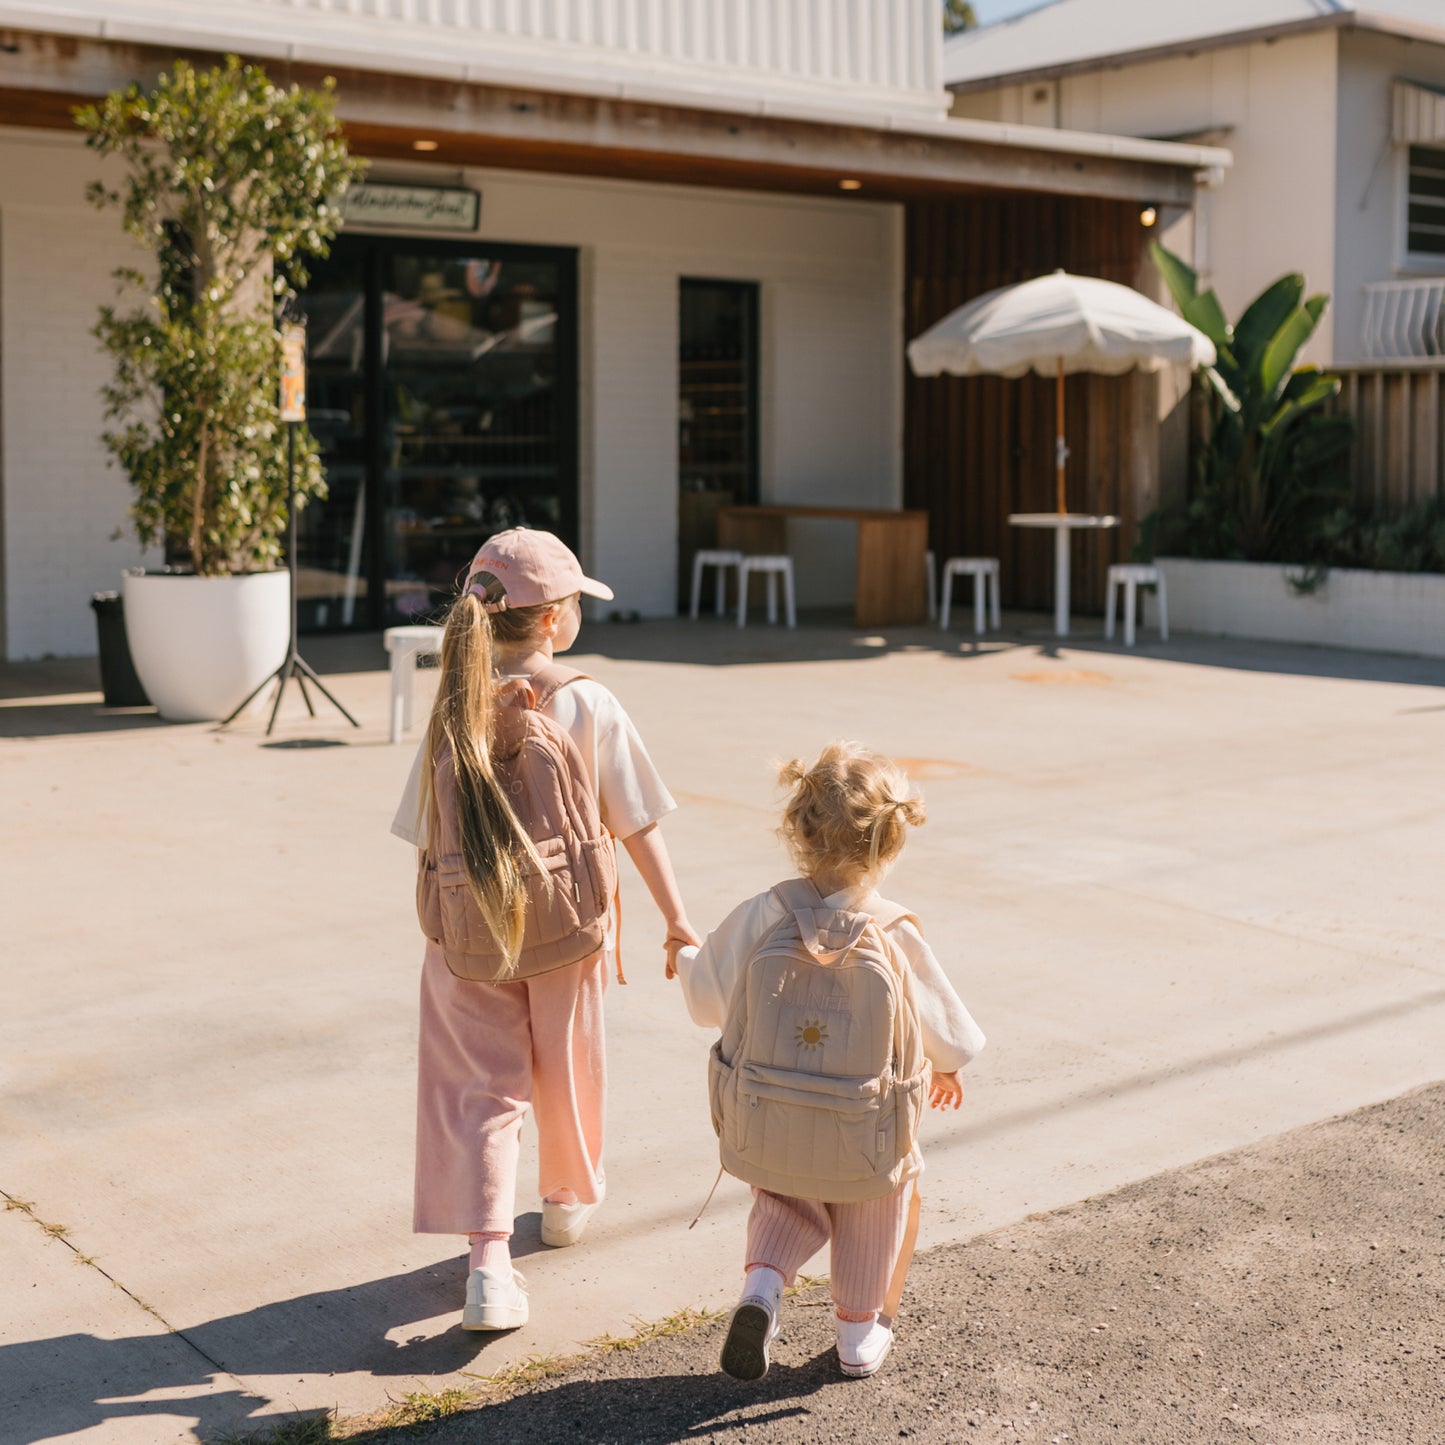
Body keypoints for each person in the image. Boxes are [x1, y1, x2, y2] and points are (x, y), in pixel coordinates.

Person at [391, 528, 699, 1331]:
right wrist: (676, 919)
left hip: (466, 933)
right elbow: (637, 822)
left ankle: (487, 1264)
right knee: (568, 1066)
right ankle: (564, 1201)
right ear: (557, 619)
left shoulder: (455, 704)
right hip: (568, 928)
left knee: (477, 1092)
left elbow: (422, 831)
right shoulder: (587, 700)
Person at [674, 742, 985, 1379]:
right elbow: (944, 1028)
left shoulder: (766, 911)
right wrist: (948, 1065)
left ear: (797, 830)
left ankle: (762, 1289)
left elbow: (707, 998)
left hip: (773, 1110)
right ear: (890, 846)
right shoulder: (894, 928)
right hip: (866, 1124)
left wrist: (682, 956)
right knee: (876, 1202)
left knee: (782, 1197)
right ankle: (856, 1334)